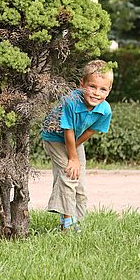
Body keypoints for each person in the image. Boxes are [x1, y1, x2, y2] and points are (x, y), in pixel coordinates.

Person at [41, 59, 113, 231]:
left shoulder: (105, 110)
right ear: (82, 84)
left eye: (103, 89)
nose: (96, 93)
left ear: (109, 90)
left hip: (75, 140)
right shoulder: (71, 101)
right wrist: (72, 157)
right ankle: (67, 223)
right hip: (54, 138)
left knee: (79, 178)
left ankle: (77, 220)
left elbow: (90, 131)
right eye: (92, 86)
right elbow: (68, 131)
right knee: (69, 175)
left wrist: (74, 153)